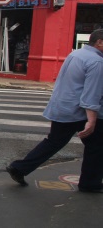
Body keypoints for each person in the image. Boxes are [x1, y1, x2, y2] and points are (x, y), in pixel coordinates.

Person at [6, 29, 103, 192]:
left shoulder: (76, 54)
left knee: (54, 142)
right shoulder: (97, 62)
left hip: (63, 107)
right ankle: (90, 183)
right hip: (78, 112)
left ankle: (19, 168)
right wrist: (92, 120)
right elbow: (91, 94)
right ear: (99, 42)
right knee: (96, 146)